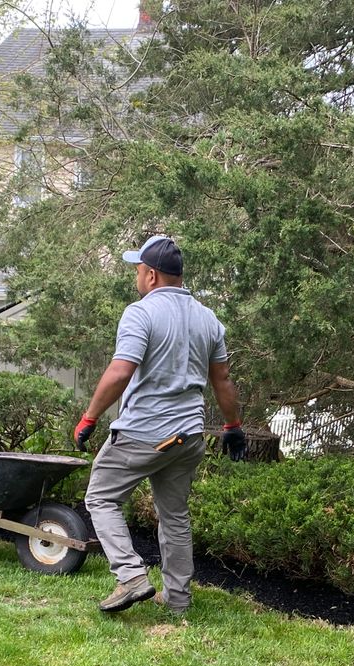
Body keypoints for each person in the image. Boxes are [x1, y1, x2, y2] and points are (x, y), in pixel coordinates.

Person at [76, 234, 246, 615]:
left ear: (151, 275)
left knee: (100, 498)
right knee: (175, 517)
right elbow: (223, 380)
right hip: (188, 436)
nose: (136, 277)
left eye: (138, 270)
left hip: (144, 435)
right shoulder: (208, 319)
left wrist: (90, 417)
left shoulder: (141, 312)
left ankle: (131, 577)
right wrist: (233, 426)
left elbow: (121, 371)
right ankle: (178, 602)